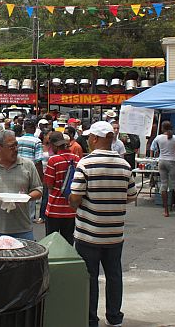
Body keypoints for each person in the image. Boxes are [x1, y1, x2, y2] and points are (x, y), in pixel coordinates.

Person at [69, 121, 135, 327]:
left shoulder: (85, 164)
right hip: (114, 233)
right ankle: (114, 317)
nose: (88, 140)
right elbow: (131, 196)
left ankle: (90, 319)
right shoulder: (125, 165)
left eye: (90, 137)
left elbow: (75, 197)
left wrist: (73, 201)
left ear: (96, 139)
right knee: (114, 275)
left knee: (89, 277)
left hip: (88, 233)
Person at [0, 129, 42, 240]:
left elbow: (38, 190)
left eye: (16, 145)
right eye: (11, 147)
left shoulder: (27, 165)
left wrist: (25, 198)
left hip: (23, 229)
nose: (16, 150)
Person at [43, 131, 79, 245]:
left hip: (54, 208)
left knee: (51, 242)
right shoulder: (76, 159)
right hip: (71, 208)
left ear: (53, 145)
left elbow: (49, 184)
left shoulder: (53, 160)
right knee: (68, 242)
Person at [151, 121, 175, 217]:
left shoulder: (158, 138)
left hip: (161, 162)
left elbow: (156, 149)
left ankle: (166, 210)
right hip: (171, 162)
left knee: (164, 185)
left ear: (162, 128)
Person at [17, 119, 45, 223]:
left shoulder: (18, 140)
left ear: (24, 129)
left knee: (20, 194)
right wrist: (41, 177)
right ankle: (29, 219)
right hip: (30, 171)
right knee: (31, 195)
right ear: (34, 129)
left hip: (18, 170)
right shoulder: (37, 141)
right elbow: (38, 161)